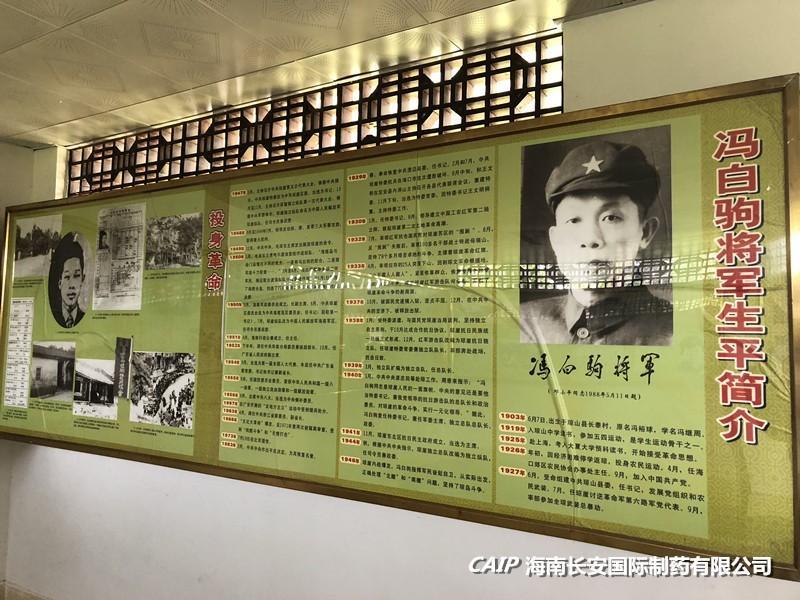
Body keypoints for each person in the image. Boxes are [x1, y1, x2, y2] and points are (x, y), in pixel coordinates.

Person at [519, 140, 672, 346]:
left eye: (611, 218)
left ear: (645, 232)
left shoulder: (674, 330)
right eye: (574, 220)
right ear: (555, 240)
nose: (591, 239)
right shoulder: (523, 323)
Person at [49, 233, 86, 328]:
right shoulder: (52, 318)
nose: (71, 285)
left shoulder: (85, 318)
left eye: (76, 276)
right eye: (67, 277)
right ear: (60, 282)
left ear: (82, 280)